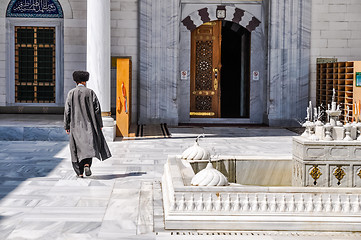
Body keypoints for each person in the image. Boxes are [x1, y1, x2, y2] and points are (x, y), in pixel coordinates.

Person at [64, 71, 112, 178]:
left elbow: (67, 111)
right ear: (85, 81)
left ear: (75, 81)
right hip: (89, 126)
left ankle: (79, 173)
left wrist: (66, 125)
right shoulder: (90, 92)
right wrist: (99, 123)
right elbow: (97, 110)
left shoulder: (71, 93)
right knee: (89, 147)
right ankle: (87, 164)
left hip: (75, 126)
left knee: (76, 148)